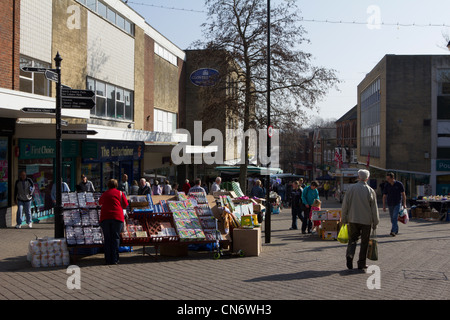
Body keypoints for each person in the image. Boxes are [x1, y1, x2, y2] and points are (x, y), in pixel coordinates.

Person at [341, 169, 379, 271]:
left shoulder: (351, 188)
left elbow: (345, 205)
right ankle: (361, 263)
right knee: (364, 242)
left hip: (353, 219)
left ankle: (350, 255)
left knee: (352, 239)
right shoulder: (370, 190)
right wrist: (376, 222)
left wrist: (343, 218)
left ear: (358, 177)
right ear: (367, 178)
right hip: (366, 221)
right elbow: (374, 208)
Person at [99, 179, 129, 265]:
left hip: (105, 217)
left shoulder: (105, 193)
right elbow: (125, 204)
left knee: (107, 239)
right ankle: (115, 259)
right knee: (115, 238)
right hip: (117, 217)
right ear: (116, 185)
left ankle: (108, 259)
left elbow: (100, 202)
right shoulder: (120, 193)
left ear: (108, 185)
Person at [383, 172, 407, 237]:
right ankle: (396, 229)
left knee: (394, 217)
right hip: (390, 204)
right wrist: (384, 206)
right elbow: (384, 196)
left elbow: (403, 194)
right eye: (387, 179)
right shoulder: (387, 185)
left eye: (388, 179)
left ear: (392, 178)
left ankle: (393, 231)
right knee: (392, 218)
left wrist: (404, 204)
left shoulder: (399, 184)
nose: (387, 180)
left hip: (397, 203)